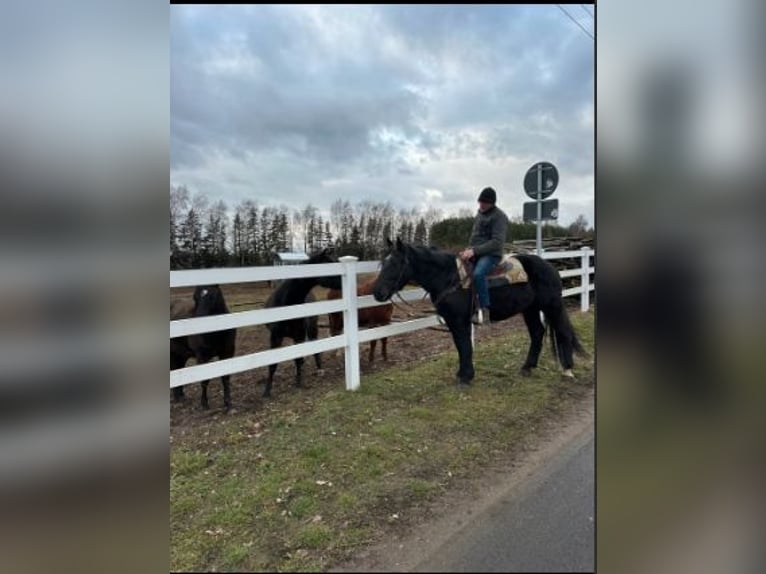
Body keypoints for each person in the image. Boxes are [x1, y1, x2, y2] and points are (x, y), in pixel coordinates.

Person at [459, 186, 509, 325]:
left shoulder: (500, 217)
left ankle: (485, 309)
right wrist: (467, 250)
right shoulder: (480, 214)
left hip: (491, 254)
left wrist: (474, 251)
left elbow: (497, 242)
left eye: (484, 203)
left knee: (478, 274)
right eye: (480, 202)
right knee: (458, 271)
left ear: (492, 203)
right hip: (476, 252)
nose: (481, 205)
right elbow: (474, 237)